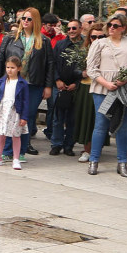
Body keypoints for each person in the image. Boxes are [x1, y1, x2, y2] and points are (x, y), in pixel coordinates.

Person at [86, 12, 127, 177]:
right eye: (110, 25)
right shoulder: (99, 43)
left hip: (124, 89)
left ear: (123, 28)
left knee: (123, 126)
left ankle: (122, 163)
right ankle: (94, 160)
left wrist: (124, 81)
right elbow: (91, 68)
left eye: (115, 26)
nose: (111, 28)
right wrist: (106, 83)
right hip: (102, 89)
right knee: (100, 125)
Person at [0, 7, 53, 161]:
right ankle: (7, 152)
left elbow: (49, 64)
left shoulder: (44, 41)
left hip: (33, 84)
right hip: (12, 82)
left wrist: (48, 86)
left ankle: (20, 151)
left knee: (27, 116)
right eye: (23, 18)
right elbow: (0, 60)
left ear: (36, 21)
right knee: (10, 114)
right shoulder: (11, 38)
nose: (25, 21)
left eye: (29, 19)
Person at [0, 56, 29, 169]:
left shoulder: (22, 83)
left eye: (13, 68)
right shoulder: (2, 81)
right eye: (8, 67)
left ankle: (16, 158)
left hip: (15, 111)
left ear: (19, 68)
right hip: (3, 110)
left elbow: (26, 101)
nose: (10, 70)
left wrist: (24, 117)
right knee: (1, 134)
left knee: (16, 135)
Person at [50, 19, 85, 156]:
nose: (71, 31)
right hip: (59, 86)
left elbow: (86, 68)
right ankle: (56, 144)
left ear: (81, 29)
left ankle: (69, 145)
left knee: (72, 119)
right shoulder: (60, 44)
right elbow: (52, 63)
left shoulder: (85, 46)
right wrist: (57, 80)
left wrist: (76, 84)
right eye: (69, 28)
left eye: (74, 28)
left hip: (76, 86)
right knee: (57, 118)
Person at [74, 24, 104, 163]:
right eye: (93, 36)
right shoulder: (83, 50)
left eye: (100, 36)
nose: (96, 39)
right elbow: (73, 68)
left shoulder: (108, 50)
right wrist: (82, 72)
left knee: (98, 121)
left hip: (102, 87)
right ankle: (87, 149)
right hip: (86, 88)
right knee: (86, 120)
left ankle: (96, 149)